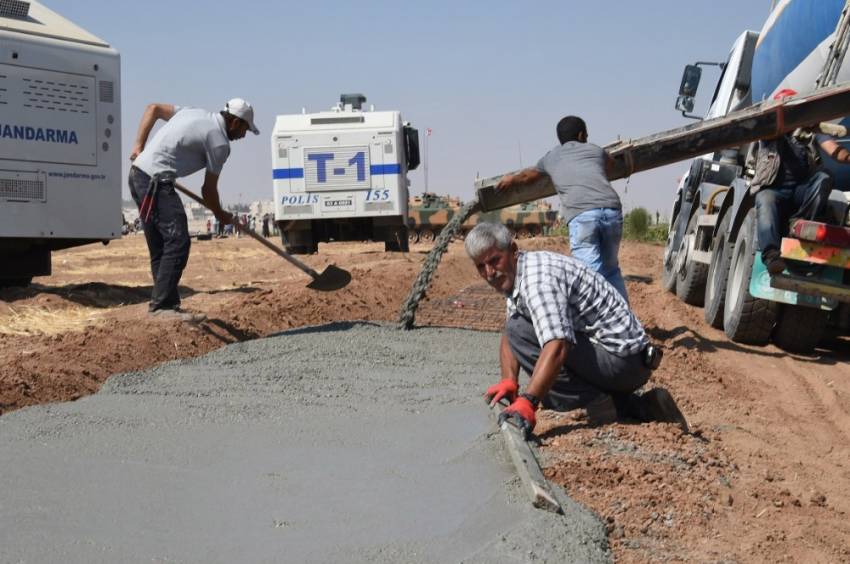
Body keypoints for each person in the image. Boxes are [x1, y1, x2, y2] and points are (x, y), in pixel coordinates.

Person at [465, 222, 687, 438]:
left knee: (544, 380)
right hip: (621, 359)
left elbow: (558, 344)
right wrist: (509, 381)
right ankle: (636, 406)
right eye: (480, 267)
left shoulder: (537, 279)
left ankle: (602, 405)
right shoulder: (518, 273)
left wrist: (529, 401)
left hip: (625, 363)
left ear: (513, 250)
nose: (489, 272)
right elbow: (510, 329)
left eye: (495, 260)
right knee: (520, 331)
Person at [129, 98, 259, 320]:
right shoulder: (219, 143)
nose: (243, 136)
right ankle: (161, 308)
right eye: (245, 129)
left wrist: (138, 146)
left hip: (137, 174)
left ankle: (165, 305)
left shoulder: (193, 112)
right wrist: (221, 214)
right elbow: (208, 190)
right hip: (156, 183)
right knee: (178, 240)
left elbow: (153, 108)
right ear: (235, 122)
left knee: (161, 245)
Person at [497, 115, 628, 301]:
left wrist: (511, 179)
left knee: (588, 276)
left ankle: (597, 324)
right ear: (582, 135)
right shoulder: (596, 150)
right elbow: (610, 164)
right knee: (611, 269)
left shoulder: (551, 157)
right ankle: (624, 319)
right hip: (612, 210)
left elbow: (527, 176)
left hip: (582, 215)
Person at [751, 89, 845, 275]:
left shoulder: (809, 130)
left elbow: (835, 151)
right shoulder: (770, 131)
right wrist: (795, 124)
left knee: (824, 178)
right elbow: (771, 132)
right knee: (765, 200)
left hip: (800, 192)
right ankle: (772, 255)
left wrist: (845, 155)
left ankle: (801, 224)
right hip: (774, 190)